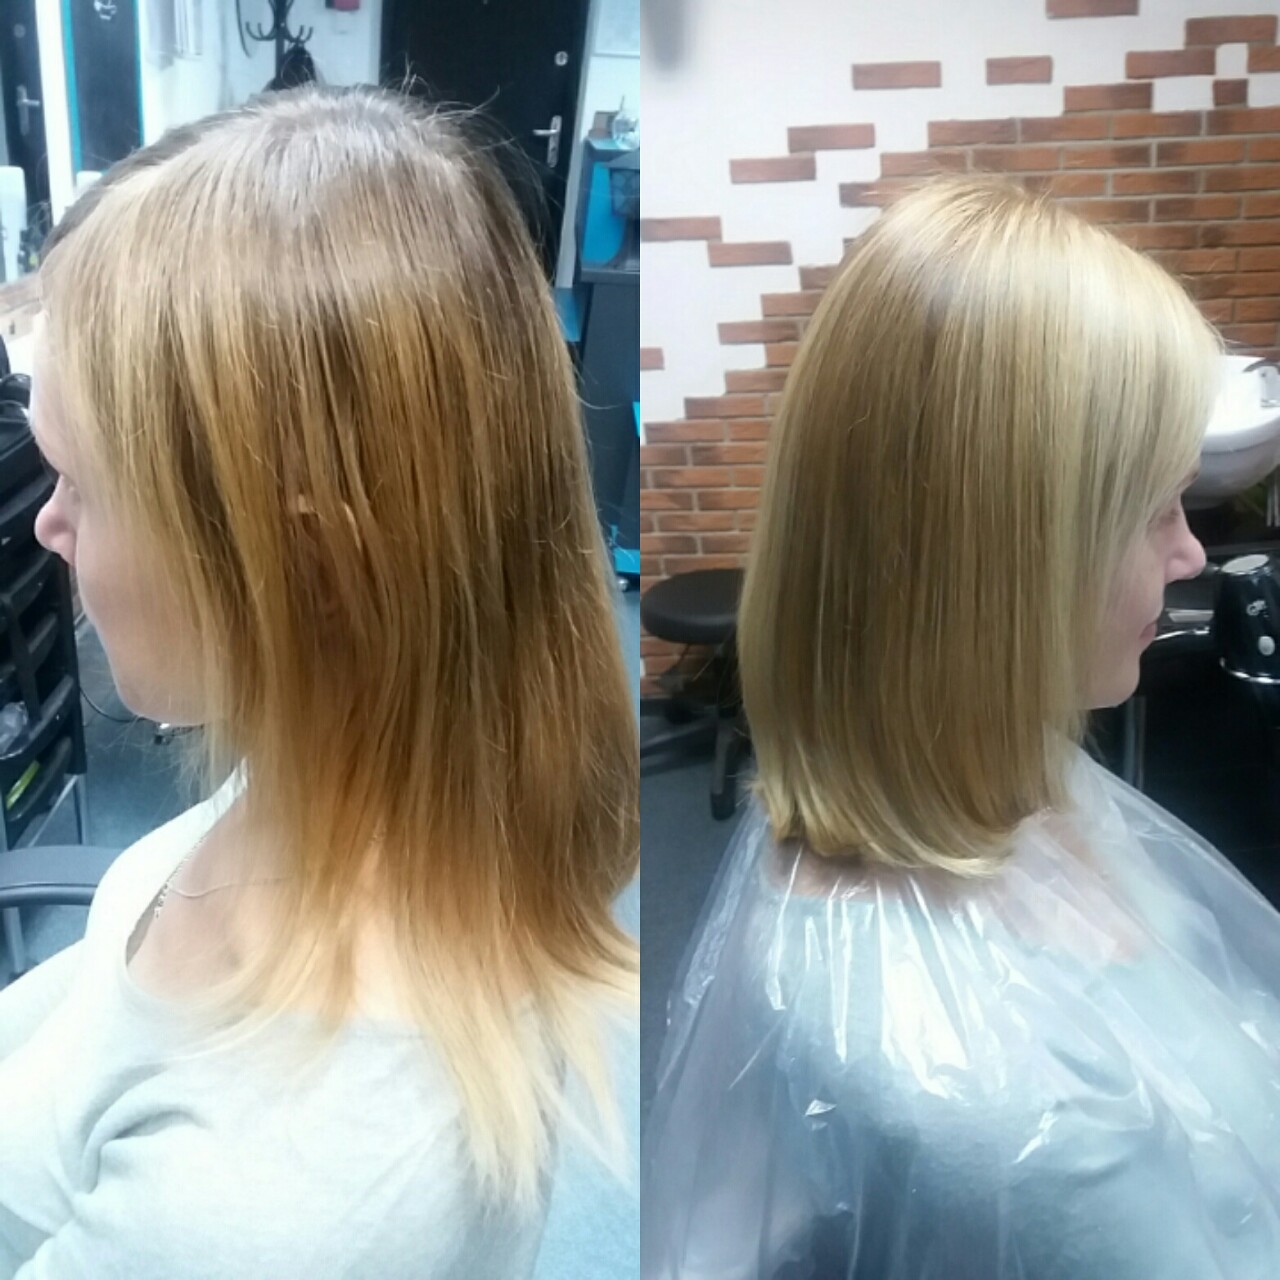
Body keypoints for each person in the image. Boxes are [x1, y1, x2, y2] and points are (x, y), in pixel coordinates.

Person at [0, 84, 637, 1278]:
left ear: (309, 570)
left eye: (79, 479)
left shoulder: (265, 1209)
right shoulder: (353, 763)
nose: (48, 523)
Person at [641, 175, 1280, 1279]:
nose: (1189, 555)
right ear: (1010, 566)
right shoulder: (1013, 1108)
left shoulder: (1014, 787)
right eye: (1155, 508)